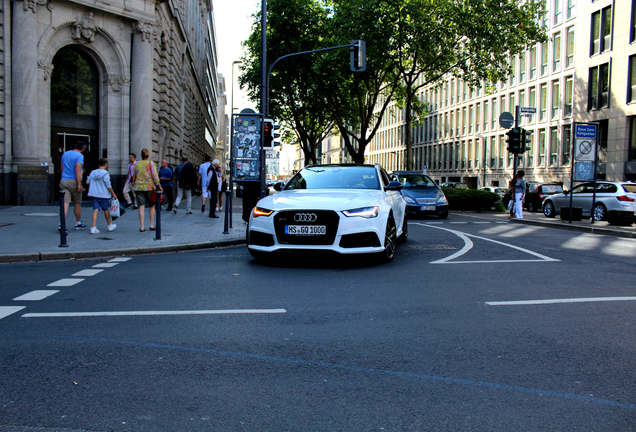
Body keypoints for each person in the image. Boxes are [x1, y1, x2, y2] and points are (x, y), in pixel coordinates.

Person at [132, 148, 163, 232]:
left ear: (141, 155)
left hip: (139, 187)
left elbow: (134, 176)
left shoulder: (137, 164)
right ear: (148, 155)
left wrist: (133, 184)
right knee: (152, 206)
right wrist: (159, 185)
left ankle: (142, 226)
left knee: (141, 207)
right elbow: (155, 176)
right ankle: (151, 225)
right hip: (149, 187)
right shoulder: (151, 163)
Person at [59, 141, 87, 230]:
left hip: (64, 180)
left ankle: (61, 224)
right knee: (77, 203)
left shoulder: (65, 154)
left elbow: (61, 168)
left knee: (65, 203)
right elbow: (77, 169)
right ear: (83, 148)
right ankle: (78, 223)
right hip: (74, 181)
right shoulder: (79, 156)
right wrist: (79, 183)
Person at [86, 158, 117, 234]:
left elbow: (88, 182)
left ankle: (93, 227)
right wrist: (113, 193)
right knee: (106, 210)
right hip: (104, 194)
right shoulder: (105, 173)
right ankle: (109, 225)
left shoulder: (93, 172)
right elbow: (108, 185)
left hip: (94, 194)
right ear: (106, 164)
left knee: (95, 210)